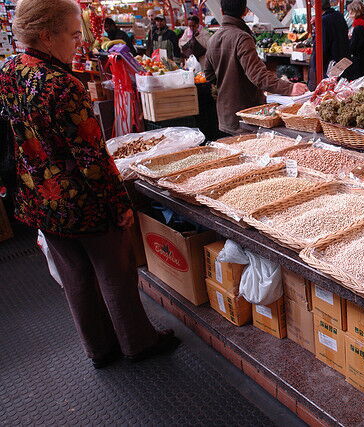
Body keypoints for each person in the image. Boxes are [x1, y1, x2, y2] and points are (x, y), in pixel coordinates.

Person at [0, 0, 180, 369]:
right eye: (71, 34)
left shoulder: (9, 70)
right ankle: (137, 343)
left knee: (74, 277)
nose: (77, 42)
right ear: (47, 36)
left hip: (38, 197)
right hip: (82, 201)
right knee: (115, 272)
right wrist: (119, 205)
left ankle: (99, 349)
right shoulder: (63, 85)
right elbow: (93, 159)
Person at [204, 0, 307, 135]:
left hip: (225, 114)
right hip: (246, 115)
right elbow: (257, 75)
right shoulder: (242, 38)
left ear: (222, 11)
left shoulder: (214, 38)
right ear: (245, 12)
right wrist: (289, 88)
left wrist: (226, 82)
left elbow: (209, 75)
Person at [308, 0, 350, 90]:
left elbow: (322, 47)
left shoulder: (323, 21)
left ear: (316, 6)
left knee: (328, 93)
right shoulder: (338, 15)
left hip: (329, 66)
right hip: (342, 61)